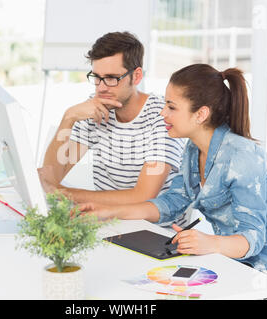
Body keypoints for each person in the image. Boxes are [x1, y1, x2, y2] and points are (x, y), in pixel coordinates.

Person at [80, 64, 267, 280]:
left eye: (171, 107)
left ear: (201, 114)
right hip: (233, 263)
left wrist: (211, 243)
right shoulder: (193, 149)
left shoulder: (242, 156)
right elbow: (171, 202)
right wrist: (110, 212)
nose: (162, 114)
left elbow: (254, 239)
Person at [39, 32, 185, 205]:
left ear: (136, 76)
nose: (101, 88)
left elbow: (143, 196)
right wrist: (68, 117)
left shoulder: (162, 117)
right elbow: (51, 177)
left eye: (111, 78)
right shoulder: (94, 109)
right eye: (97, 78)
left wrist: (64, 193)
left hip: (154, 227)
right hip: (107, 221)